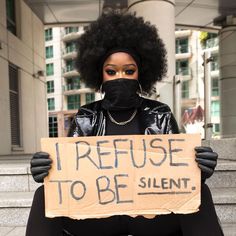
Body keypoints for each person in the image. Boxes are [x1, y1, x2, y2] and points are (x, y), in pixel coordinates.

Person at [26, 12, 223, 236]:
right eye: (111, 71)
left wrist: (199, 168)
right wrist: (48, 169)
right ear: (100, 75)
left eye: (129, 71)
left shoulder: (160, 114)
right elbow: (69, 173)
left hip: (150, 216)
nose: (121, 77)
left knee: (201, 192)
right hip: (98, 215)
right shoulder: (86, 116)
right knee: (43, 196)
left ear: (141, 73)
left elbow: (179, 175)